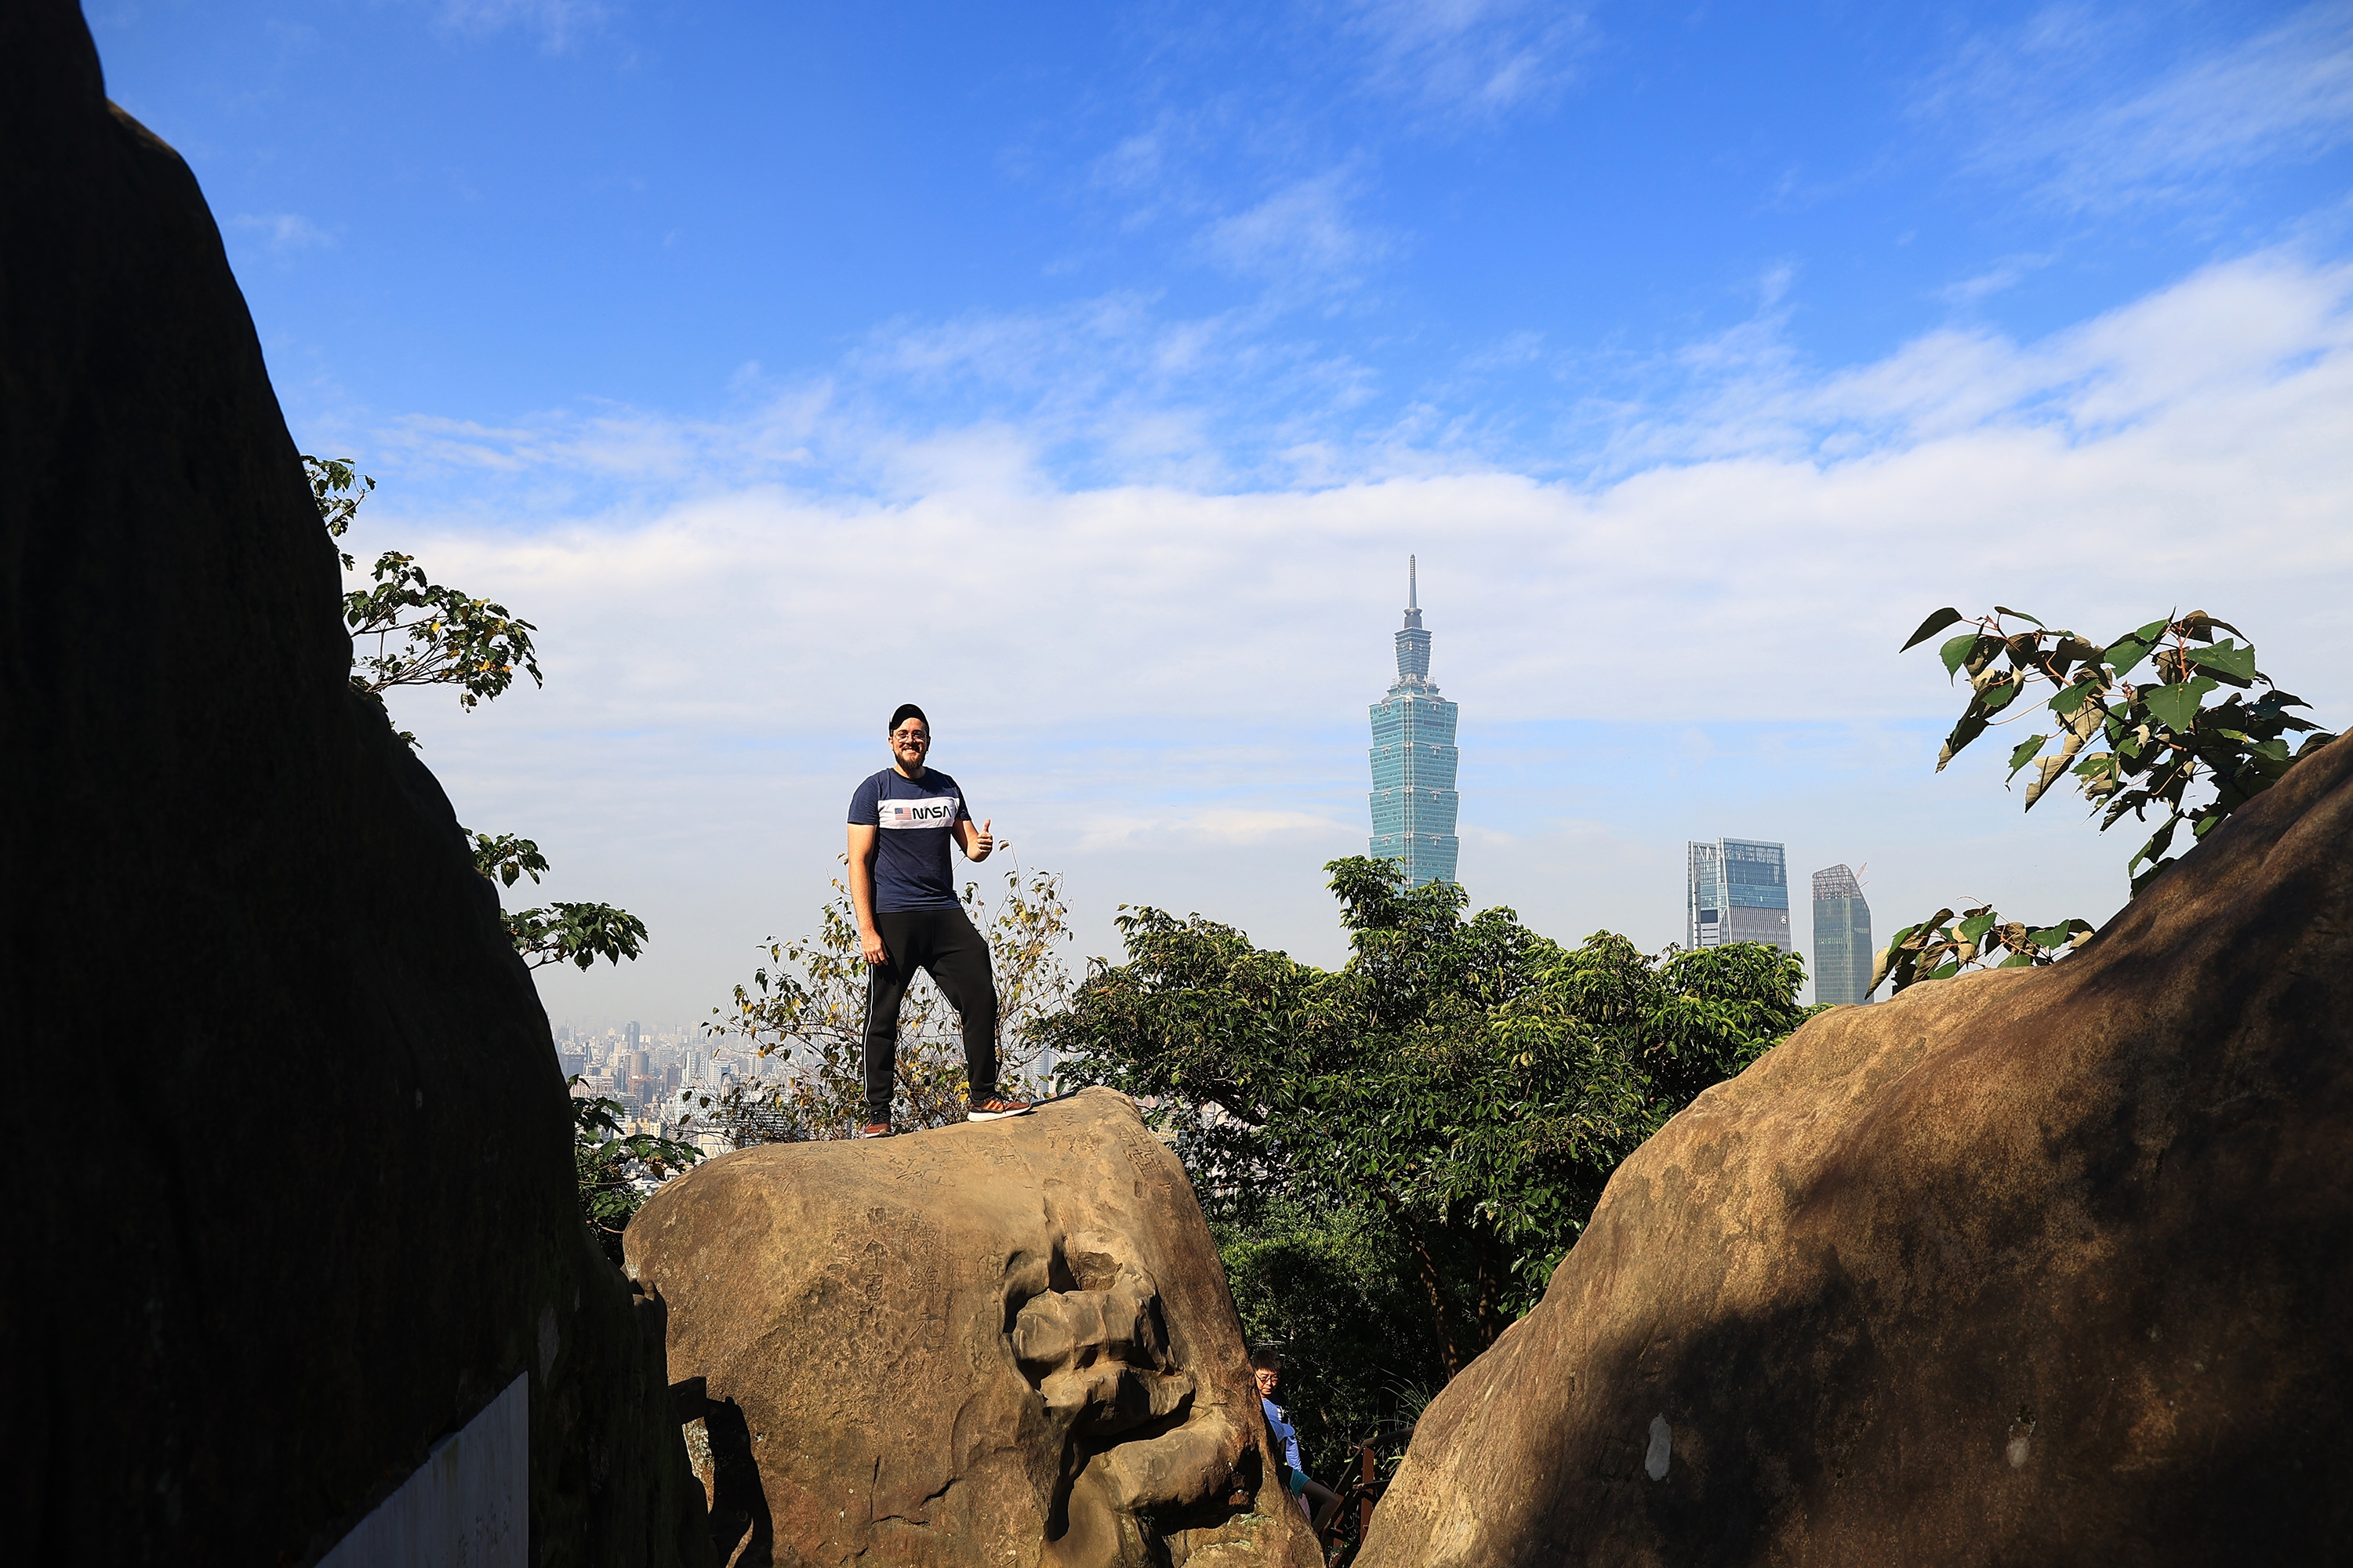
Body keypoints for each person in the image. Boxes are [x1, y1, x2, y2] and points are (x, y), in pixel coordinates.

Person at [846, 703, 1034, 1138]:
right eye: (904, 734)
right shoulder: (872, 791)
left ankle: (984, 1099)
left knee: (981, 992)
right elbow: (858, 861)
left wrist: (981, 845)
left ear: (928, 741)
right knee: (883, 1015)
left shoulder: (947, 787)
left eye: (920, 734)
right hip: (894, 916)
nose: (912, 740)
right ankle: (878, 1115)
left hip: (943, 911)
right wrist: (867, 929)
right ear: (891, 740)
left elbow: (969, 847)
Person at [1250, 1348, 1342, 1534]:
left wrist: (1298, 1477)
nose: (1269, 1384)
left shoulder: (1281, 1400)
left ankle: (1312, 1540)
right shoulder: (1249, 1399)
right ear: (1253, 1373)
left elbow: (1290, 1439)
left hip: (1284, 1471)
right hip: (1258, 1471)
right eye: (1264, 1378)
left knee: (1312, 1509)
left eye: (1274, 1378)